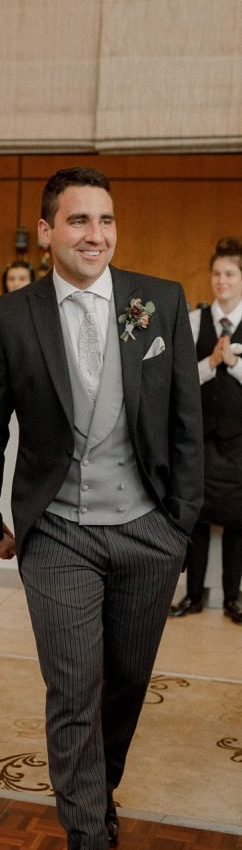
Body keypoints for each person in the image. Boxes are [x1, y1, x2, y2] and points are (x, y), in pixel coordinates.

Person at [0, 167, 203, 850]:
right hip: (57, 533)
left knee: (125, 685)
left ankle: (99, 798)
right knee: (73, 689)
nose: (93, 234)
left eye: (103, 220)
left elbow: (185, 422)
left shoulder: (157, 300)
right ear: (45, 232)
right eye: (76, 221)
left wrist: (178, 524)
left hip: (145, 530)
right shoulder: (11, 315)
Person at [170, 236, 242, 624]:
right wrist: (212, 362)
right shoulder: (195, 320)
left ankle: (234, 599)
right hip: (199, 439)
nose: (222, 280)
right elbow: (180, 379)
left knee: (237, 523)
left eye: (230, 273)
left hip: (239, 444)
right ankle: (192, 596)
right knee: (195, 519)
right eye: (217, 273)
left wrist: (234, 363)